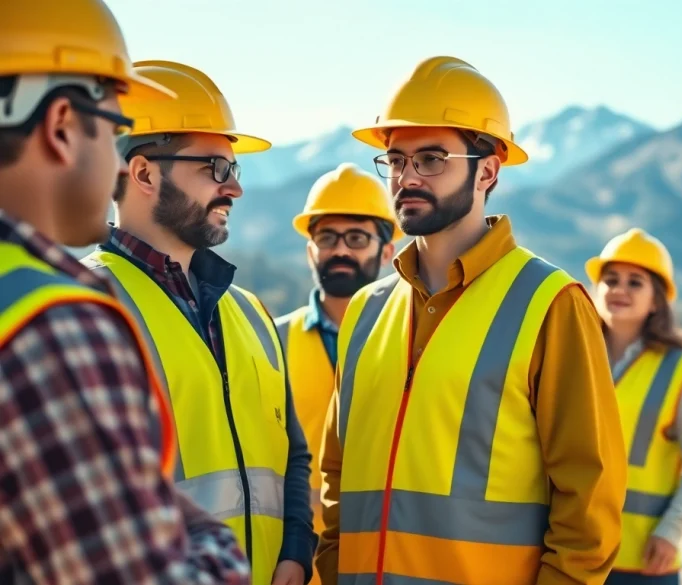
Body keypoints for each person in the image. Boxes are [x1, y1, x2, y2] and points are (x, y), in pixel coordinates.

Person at [315, 55, 628, 585]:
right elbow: (337, 479)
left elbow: (589, 499)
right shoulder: (367, 312)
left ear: (487, 169)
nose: (406, 177)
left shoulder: (550, 303)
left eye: (431, 159)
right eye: (395, 160)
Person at [0, 1, 252, 583]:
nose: (117, 163)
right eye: (116, 132)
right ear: (62, 125)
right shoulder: (51, 327)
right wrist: (200, 529)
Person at [80, 60, 316, 585]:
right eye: (215, 168)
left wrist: (296, 555)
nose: (234, 189)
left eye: (235, 170)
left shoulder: (251, 312)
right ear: (142, 173)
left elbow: (292, 454)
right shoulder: (84, 307)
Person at [274, 162, 402, 585]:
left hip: (382, 560)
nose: (340, 250)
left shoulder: (413, 343)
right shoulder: (271, 341)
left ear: (387, 251)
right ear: (310, 250)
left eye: (357, 238)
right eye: (326, 237)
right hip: (291, 564)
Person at [586, 228, 682, 585]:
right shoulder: (572, 358)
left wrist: (672, 531)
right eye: (611, 279)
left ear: (656, 300)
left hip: (645, 563)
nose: (619, 289)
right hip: (572, 555)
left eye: (635, 282)